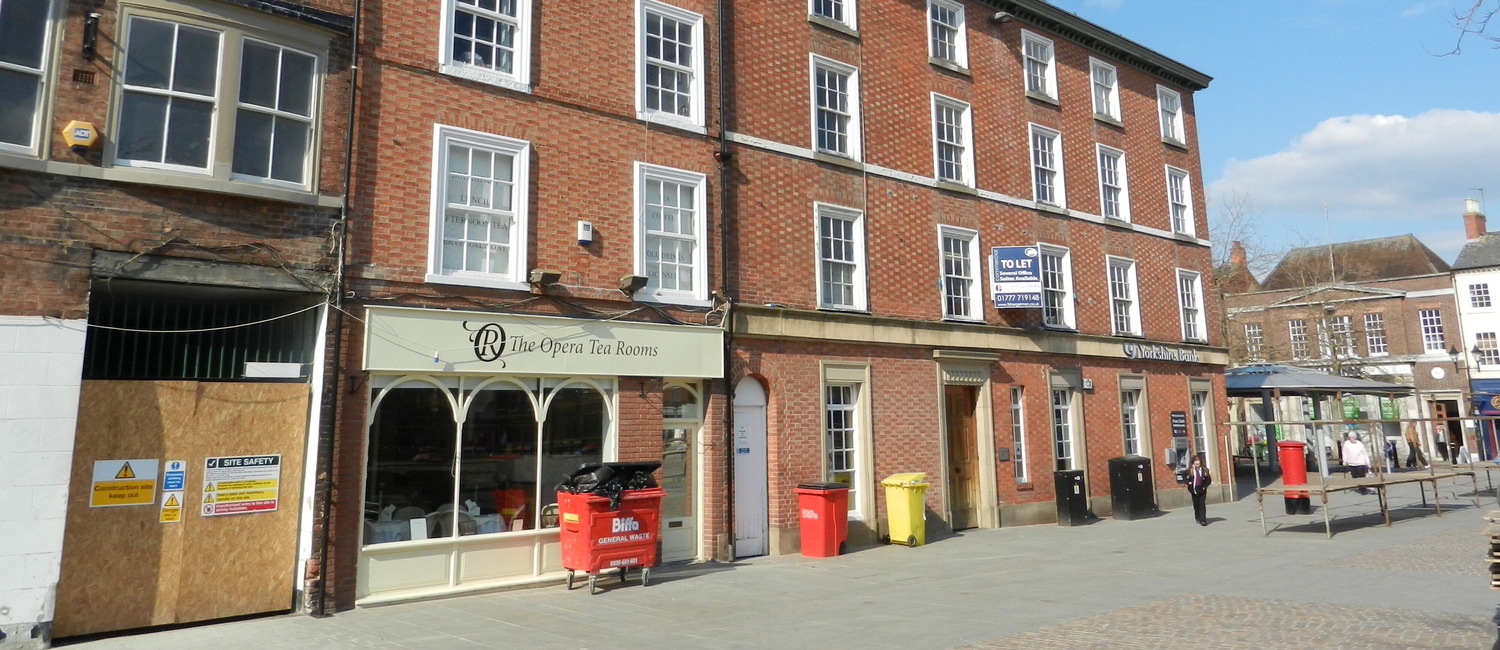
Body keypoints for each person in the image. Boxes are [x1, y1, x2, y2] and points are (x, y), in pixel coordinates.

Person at [1185, 456, 1212, 526]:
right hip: (1194, 489)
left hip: (1202, 489)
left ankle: (1203, 520)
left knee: (1202, 504)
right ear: (1193, 463)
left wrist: (1204, 486)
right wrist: (1188, 482)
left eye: (1198, 464)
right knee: (1196, 504)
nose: (1197, 466)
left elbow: (1208, 480)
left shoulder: (1205, 470)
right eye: (1196, 464)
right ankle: (1197, 517)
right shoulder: (1190, 470)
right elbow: (1183, 475)